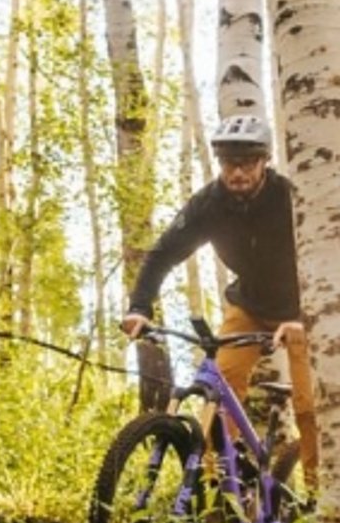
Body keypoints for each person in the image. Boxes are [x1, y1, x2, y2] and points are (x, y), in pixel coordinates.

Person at [120, 114, 317, 491]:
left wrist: (305, 318)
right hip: (249, 305)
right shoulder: (209, 204)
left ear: (265, 162)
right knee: (217, 392)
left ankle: (324, 510)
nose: (237, 172)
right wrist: (140, 307)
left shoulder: (288, 199)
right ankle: (216, 495)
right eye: (229, 163)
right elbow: (162, 254)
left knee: (311, 407)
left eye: (247, 163)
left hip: (302, 310)